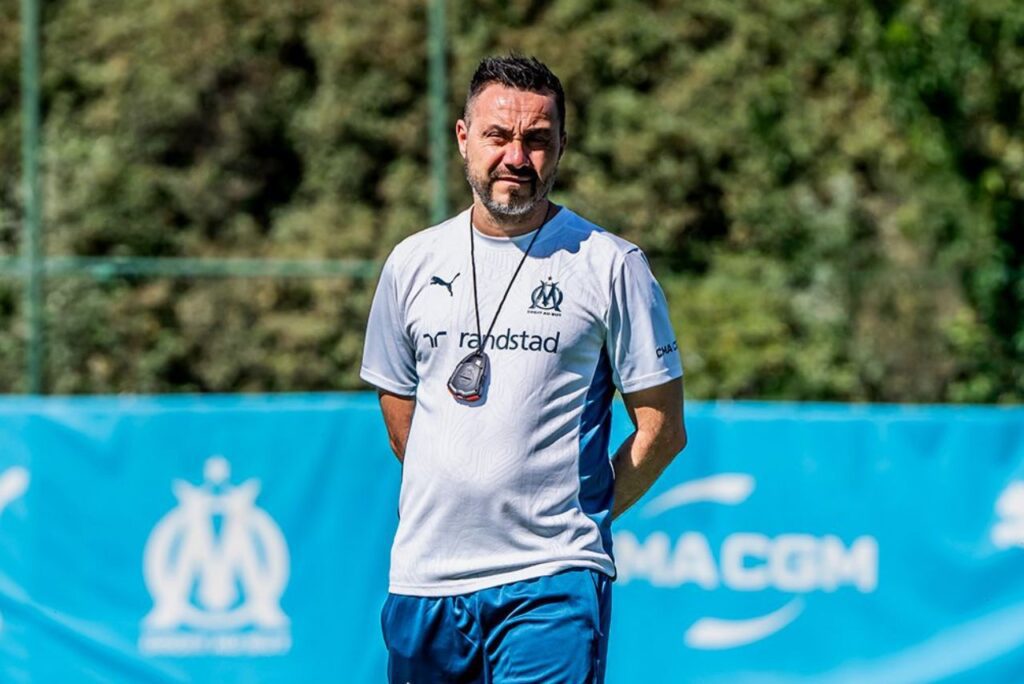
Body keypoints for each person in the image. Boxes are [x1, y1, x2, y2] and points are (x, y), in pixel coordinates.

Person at [361, 54, 687, 684]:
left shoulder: (611, 266)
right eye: (498, 136)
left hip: (551, 580)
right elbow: (401, 414)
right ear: (463, 138)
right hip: (425, 580)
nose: (517, 156)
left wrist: (575, 517)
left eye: (537, 140)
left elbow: (662, 430)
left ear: (561, 147)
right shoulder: (410, 262)